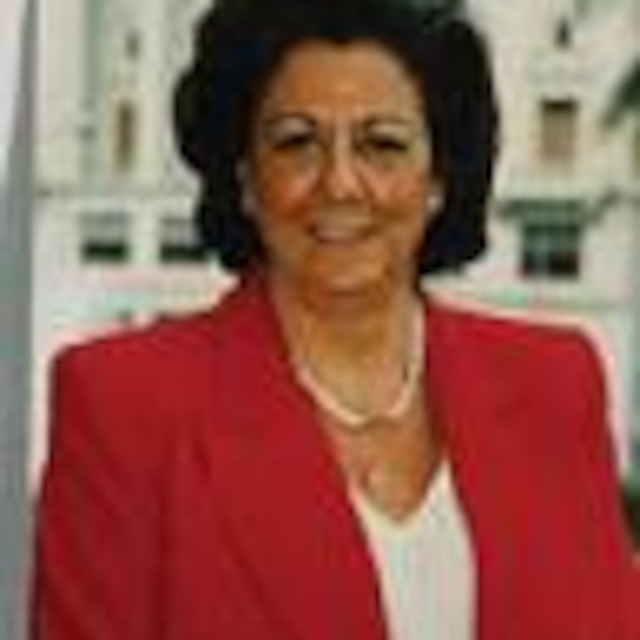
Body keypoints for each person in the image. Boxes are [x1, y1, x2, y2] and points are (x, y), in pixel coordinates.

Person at [31, 0, 640, 638]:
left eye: (383, 145)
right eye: (297, 143)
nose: (341, 183)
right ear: (245, 178)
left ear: (438, 178)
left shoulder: (555, 384)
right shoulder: (122, 403)